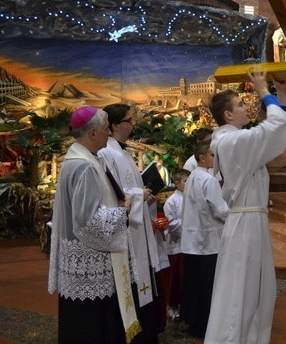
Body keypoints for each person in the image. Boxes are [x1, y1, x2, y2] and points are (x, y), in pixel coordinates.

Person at [204, 72, 286, 343]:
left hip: (251, 223)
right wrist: (262, 90)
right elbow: (271, 131)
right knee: (238, 292)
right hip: (244, 226)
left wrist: (279, 96)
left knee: (257, 290)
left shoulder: (236, 140)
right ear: (228, 116)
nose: (247, 107)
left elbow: (276, 140)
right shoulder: (230, 141)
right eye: (241, 105)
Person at [48, 106, 141, 343]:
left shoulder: (76, 159)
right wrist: (123, 211)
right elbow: (88, 220)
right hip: (92, 262)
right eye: (106, 128)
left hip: (83, 265)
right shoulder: (85, 166)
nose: (109, 133)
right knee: (93, 329)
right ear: (91, 133)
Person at [98, 104, 163, 343]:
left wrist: (144, 193)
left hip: (137, 228)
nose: (133, 125)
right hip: (126, 233)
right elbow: (111, 192)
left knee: (143, 285)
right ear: (115, 125)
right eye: (129, 120)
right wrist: (139, 195)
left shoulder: (122, 153)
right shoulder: (107, 154)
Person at [180, 139, 229, 338]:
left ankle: (192, 322)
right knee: (206, 285)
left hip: (192, 240)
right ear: (202, 158)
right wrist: (234, 210)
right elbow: (219, 209)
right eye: (212, 155)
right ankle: (203, 325)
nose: (214, 159)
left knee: (193, 283)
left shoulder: (192, 177)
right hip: (207, 241)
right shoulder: (208, 180)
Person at [163, 168, 191, 322]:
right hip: (176, 245)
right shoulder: (172, 201)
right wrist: (187, 222)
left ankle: (186, 306)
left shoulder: (191, 197)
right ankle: (172, 307)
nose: (188, 184)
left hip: (189, 245)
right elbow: (170, 224)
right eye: (186, 181)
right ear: (177, 183)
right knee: (175, 277)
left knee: (186, 278)